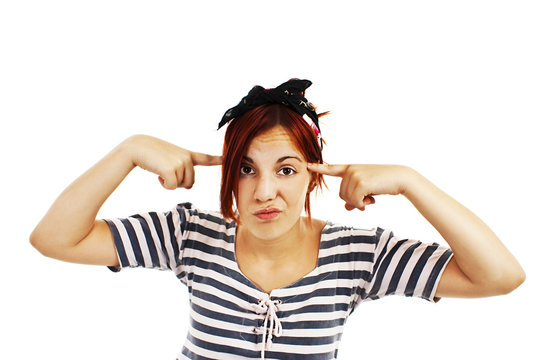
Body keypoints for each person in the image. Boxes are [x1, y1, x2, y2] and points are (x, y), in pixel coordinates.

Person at [30, 79, 525, 360]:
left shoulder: (358, 255)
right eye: (245, 169)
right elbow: (54, 240)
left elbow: (501, 277)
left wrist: (413, 182)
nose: (264, 192)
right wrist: (128, 151)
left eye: (286, 170)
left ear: (314, 177)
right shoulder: (188, 236)